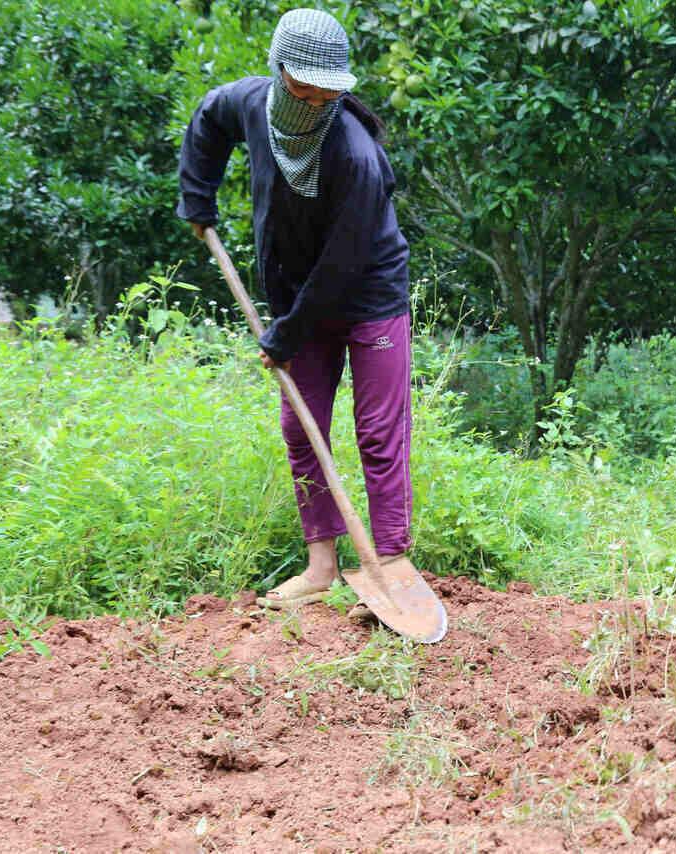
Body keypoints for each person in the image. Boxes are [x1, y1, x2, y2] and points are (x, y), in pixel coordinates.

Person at [177, 9, 413, 612]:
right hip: (295, 294)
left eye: (328, 88)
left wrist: (285, 335)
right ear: (279, 73)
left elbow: (341, 267)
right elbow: (208, 119)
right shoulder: (252, 105)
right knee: (299, 426)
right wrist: (197, 197)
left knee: (378, 432)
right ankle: (321, 567)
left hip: (367, 296)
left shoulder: (357, 158)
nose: (315, 98)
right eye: (304, 85)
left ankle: (391, 562)